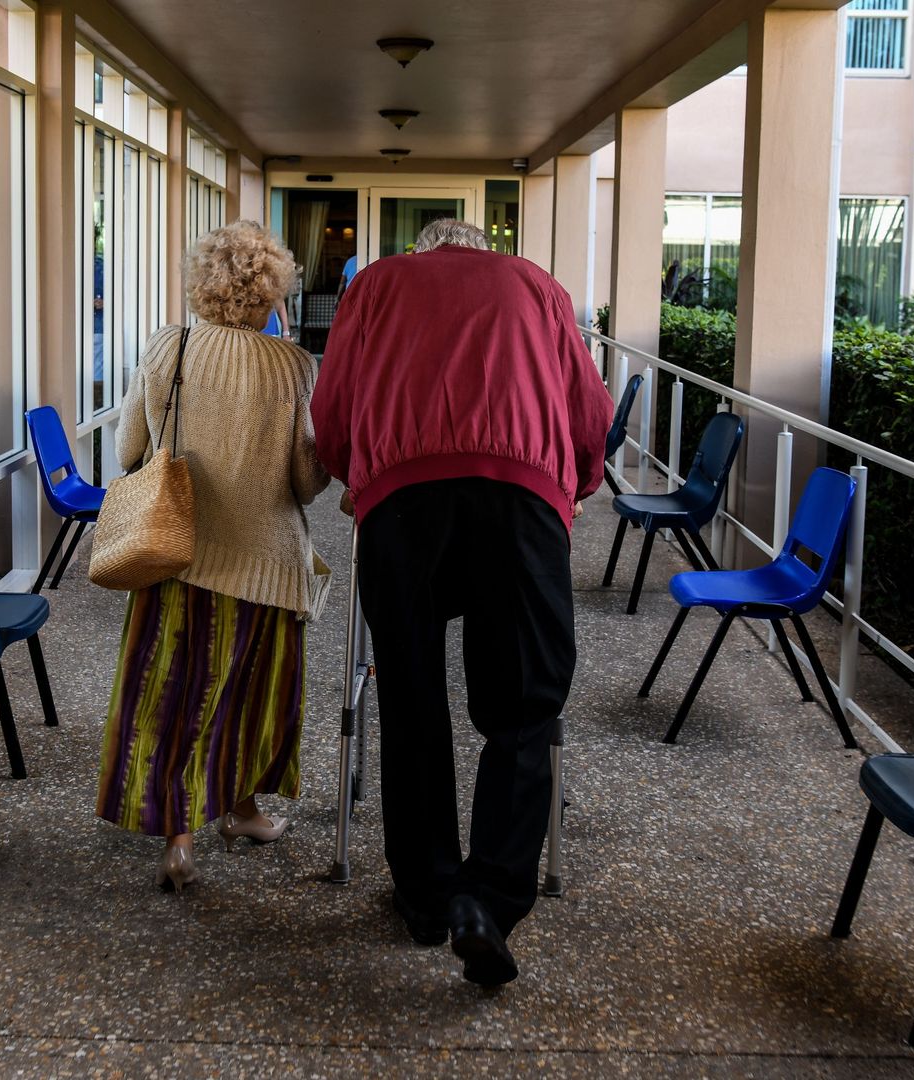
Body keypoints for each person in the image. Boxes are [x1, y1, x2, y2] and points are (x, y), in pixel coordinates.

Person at [311, 218, 611, 985]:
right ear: (485, 250)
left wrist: (360, 477)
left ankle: (426, 895)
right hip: (519, 499)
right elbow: (588, 416)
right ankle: (491, 897)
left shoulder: (375, 284)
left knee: (411, 696)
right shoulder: (537, 285)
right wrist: (569, 487)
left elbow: (334, 406)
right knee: (524, 705)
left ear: (426, 251)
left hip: (403, 503)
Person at [96, 221, 331, 893]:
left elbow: (126, 451)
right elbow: (305, 482)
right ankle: (243, 810)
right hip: (264, 565)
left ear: (202, 284)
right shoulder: (292, 365)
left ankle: (177, 839)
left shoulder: (168, 347)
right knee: (252, 698)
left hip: (175, 554)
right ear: (271, 292)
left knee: (172, 693)